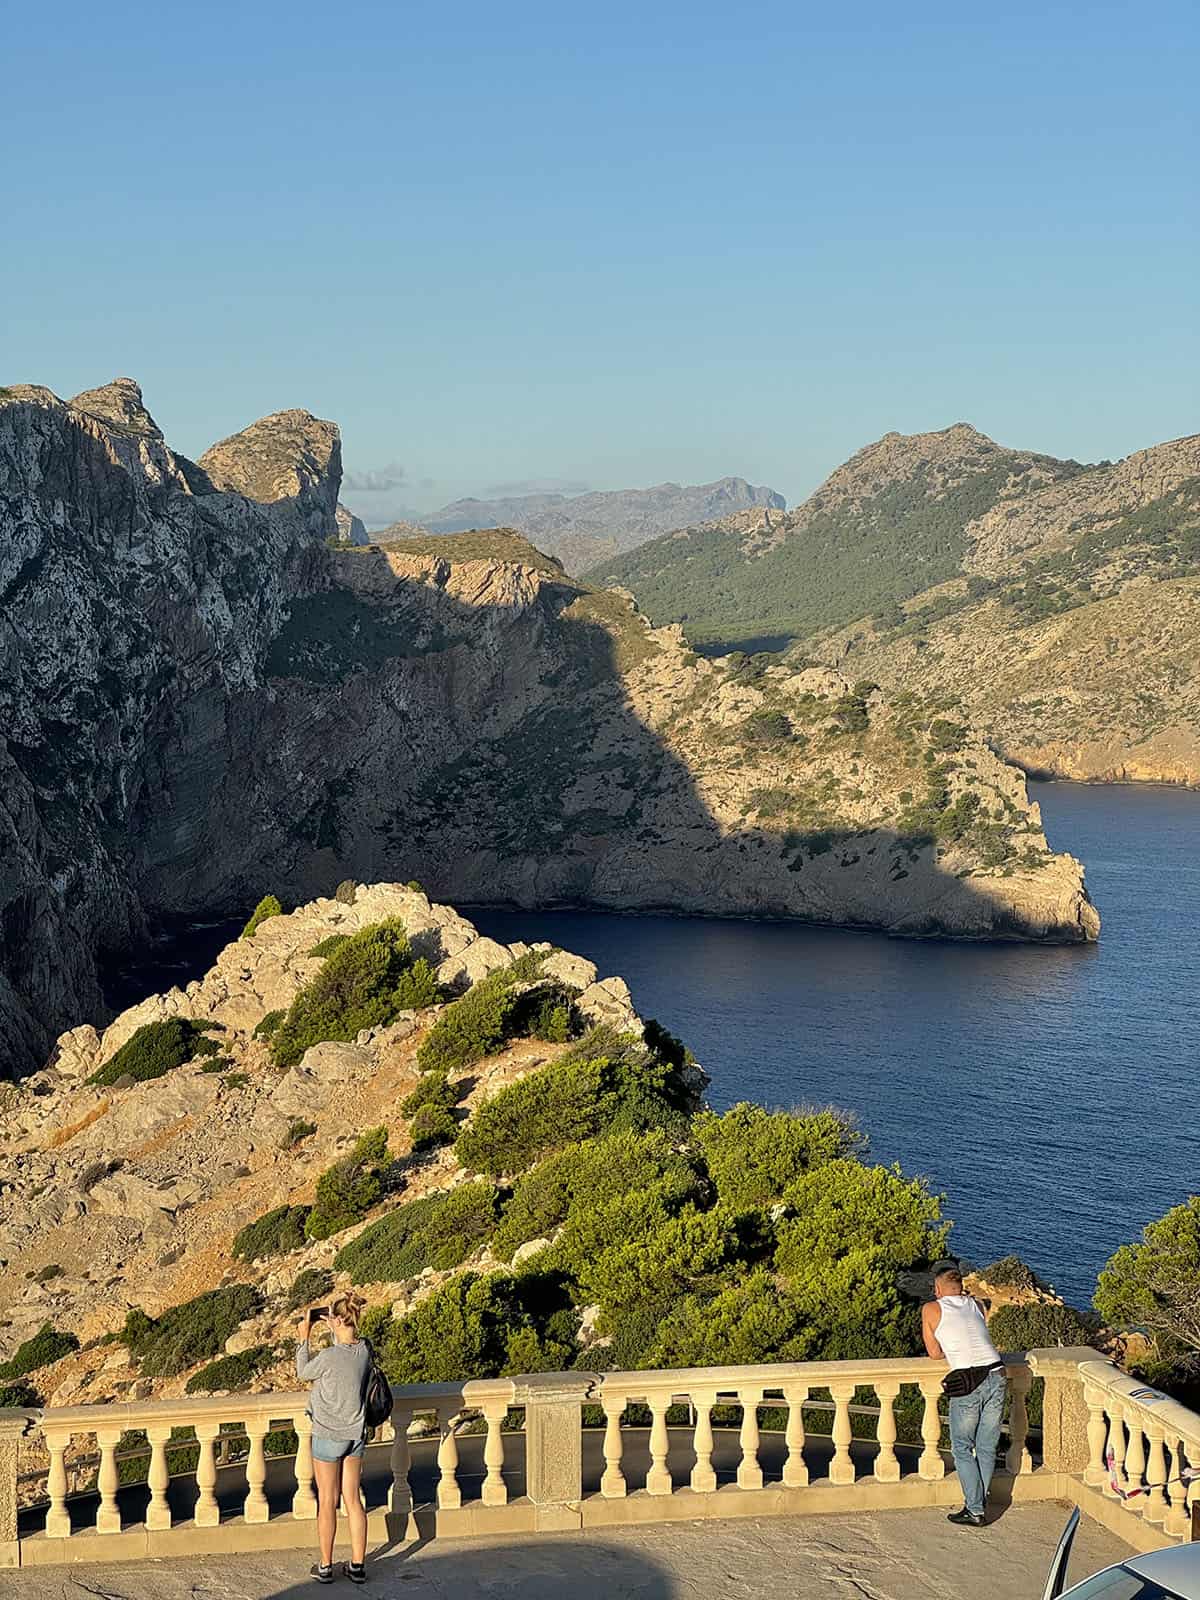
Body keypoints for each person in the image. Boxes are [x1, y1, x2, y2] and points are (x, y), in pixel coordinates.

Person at [296, 1292, 372, 1584]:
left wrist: (304, 1336)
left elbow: (303, 1372)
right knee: (353, 1500)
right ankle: (357, 1566)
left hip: (328, 1435)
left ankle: (325, 1567)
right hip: (356, 1435)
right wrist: (336, 1326)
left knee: (327, 1500)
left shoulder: (328, 1357)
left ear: (338, 1319)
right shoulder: (364, 1351)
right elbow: (351, 1346)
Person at [922, 1265, 1006, 1528]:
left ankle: (975, 1509)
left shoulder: (931, 1309)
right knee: (986, 1446)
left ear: (937, 1290)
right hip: (997, 1373)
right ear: (960, 1287)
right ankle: (978, 1504)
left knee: (961, 1447)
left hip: (969, 1380)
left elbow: (934, 1353)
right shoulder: (977, 1304)